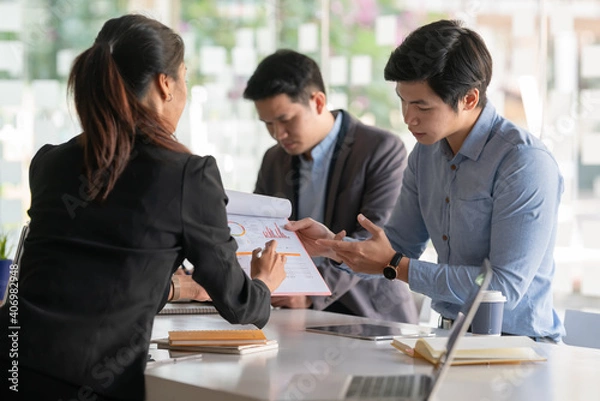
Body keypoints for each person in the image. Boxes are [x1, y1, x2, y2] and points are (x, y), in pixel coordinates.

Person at [0, 14, 286, 401]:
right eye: (185, 77)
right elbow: (238, 304)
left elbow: (85, 276)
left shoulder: (50, 161)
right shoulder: (188, 174)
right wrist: (264, 284)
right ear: (165, 84)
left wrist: (168, 287)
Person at [285, 19, 564, 342]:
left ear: (469, 99)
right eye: (403, 100)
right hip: (448, 339)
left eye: (421, 105)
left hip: (520, 349)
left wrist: (396, 266)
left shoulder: (523, 162)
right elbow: (398, 245)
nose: (408, 117)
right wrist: (331, 246)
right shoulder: (425, 154)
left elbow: (502, 287)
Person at [243, 49, 418, 323]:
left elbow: (375, 240)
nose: (278, 134)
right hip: (292, 317)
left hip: (370, 318)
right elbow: (260, 232)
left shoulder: (381, 149)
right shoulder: (274, 159)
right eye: (268, 124)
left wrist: (312, 294)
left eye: (285, 120)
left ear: (318, 102)